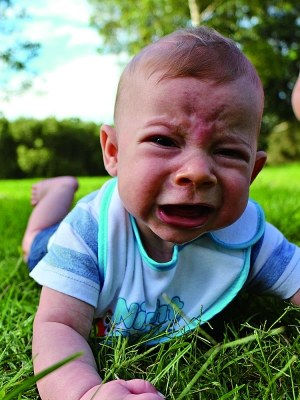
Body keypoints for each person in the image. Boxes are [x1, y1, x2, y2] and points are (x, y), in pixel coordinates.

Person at [23, 26, 300, 400]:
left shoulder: (249, 237)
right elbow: (58, 324)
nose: (198, 172)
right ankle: (60, 190)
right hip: (57, 244)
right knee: (33, 244)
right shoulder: (90, 232)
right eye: (164, 141)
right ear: (114, 152)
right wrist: (83, 393)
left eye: (228, 152)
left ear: (252, 171)